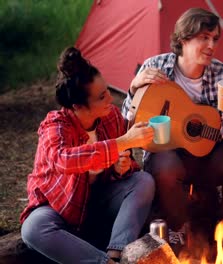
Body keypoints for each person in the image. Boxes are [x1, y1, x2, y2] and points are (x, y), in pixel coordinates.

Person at [121, 8, 223, 256]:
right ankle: (177, 228)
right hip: (167, 157)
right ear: (184, 39)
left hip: (207, 155)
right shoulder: (156, 67)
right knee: (166, 163)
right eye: (203, 38)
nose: (211, 45)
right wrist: (132, 89)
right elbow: (126, 120)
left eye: (215, 39)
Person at [20, 47, 156, 264]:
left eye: (108, 91)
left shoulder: (110, 117)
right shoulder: (55, 126)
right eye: (102, 96)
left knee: (143, 181)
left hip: (99, 202)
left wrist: (121, 168)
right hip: (60, 208)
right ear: (78, 107)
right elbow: (65, 160)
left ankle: (119, 254)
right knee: (33, 228)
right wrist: (125, 141)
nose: (111, 99)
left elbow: (125, 163)